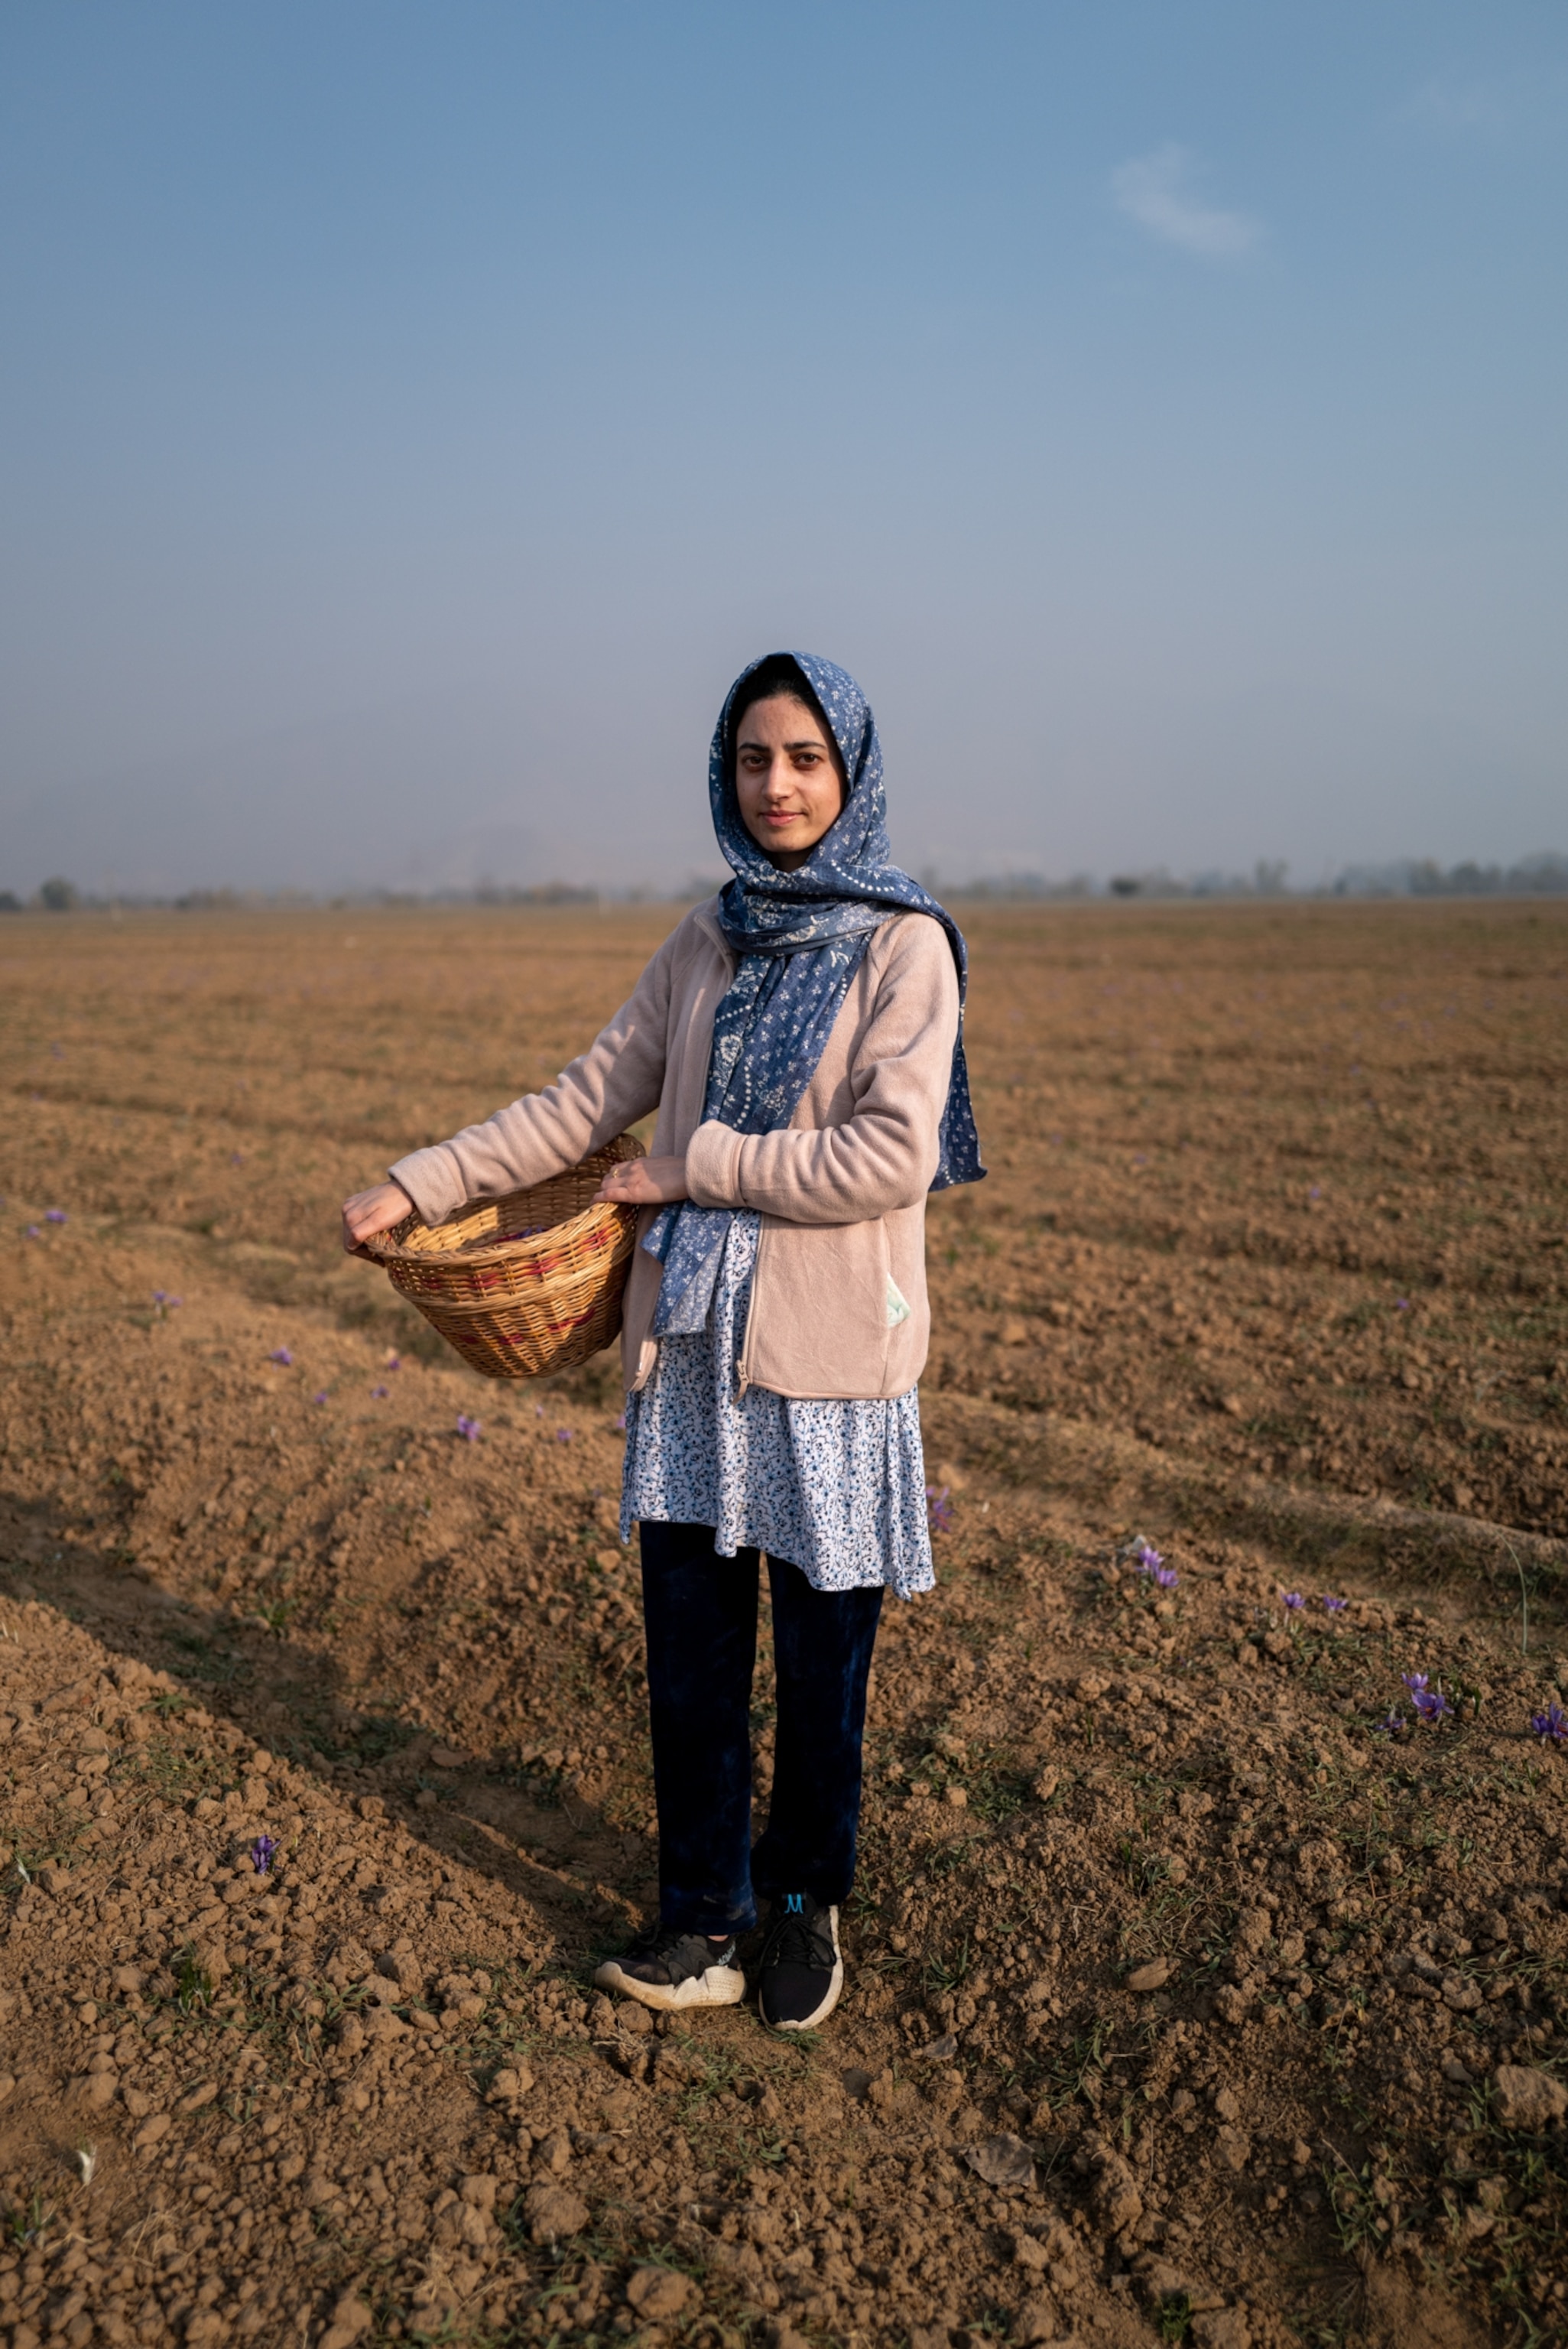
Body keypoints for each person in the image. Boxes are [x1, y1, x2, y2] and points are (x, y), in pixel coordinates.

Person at [342, 651, 983, 2032]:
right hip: (693, 1351)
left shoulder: (902, 945)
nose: (779, 785)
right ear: (725, 774)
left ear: (850, 772)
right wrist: (424, 1180)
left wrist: (698, 1164)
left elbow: (887, 1157)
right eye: (755, 759)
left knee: (824, 1670)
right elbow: (584, 1101)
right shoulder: (707, 939)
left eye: (805, 758)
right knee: (691, 1661)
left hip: (826, 1372)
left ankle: (807, 1907)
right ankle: (704, 1911)